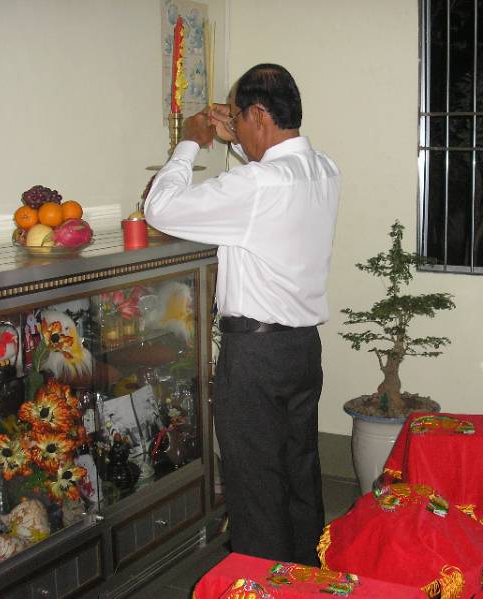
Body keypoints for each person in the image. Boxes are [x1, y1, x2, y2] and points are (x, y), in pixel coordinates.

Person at [144, 63, 340, 566]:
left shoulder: (257, 186)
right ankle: (307, 578)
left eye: (240, 118)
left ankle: (262, 585)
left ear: (258, 114)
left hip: (255, 357)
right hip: (302, 350)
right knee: (299, 474)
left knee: (255, 486)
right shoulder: (324, 169)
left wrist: (189, 143)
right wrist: (237, 140)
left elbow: (160, 209)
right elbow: (266, 179)